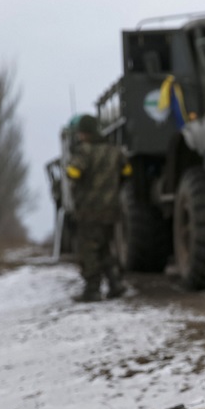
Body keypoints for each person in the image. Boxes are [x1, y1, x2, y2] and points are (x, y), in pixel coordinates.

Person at [66, 114, 132, 302]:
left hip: (89, 210)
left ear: (84, 133)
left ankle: (92, 289)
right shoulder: (114, 151)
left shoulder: (84, 151)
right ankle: (115, 283)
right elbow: (127, 172)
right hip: (112, 208)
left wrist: (72, 158)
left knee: (89, 250)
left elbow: (74, 173)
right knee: (104, 247)